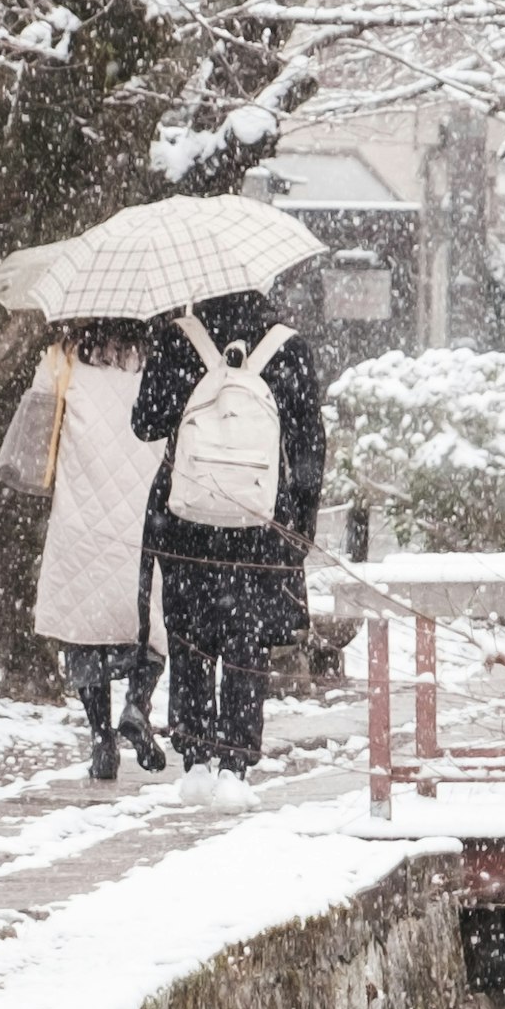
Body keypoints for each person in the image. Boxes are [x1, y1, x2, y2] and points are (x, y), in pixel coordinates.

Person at [133, 287, 325, 780]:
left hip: (186, 519)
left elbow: (145, 424)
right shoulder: (288, 346)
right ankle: (236, 763)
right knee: (248, 640)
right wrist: (299, 525)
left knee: (190, 637)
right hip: (258, 519)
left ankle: (195, 758)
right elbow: (308, 449)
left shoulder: (179, 339)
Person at [0, 316, 171, 780]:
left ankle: (101, 740)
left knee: (82, 628)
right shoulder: (158, 360)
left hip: (81, 515)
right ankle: (137, 705)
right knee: (149, 623)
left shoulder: (64, 358)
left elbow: (38, 426)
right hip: (142, 514)